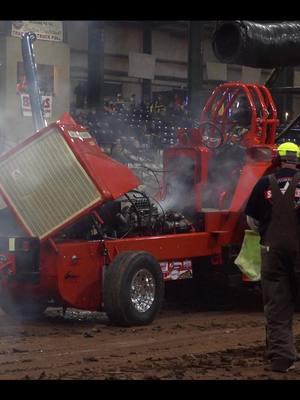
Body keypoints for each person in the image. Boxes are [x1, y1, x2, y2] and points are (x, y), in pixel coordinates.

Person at [245, 141, 300, 373]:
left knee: (277, 306)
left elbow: (252, 222)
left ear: (276, 159)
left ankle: (282, 359)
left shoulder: (262, 184)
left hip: (272, 252)